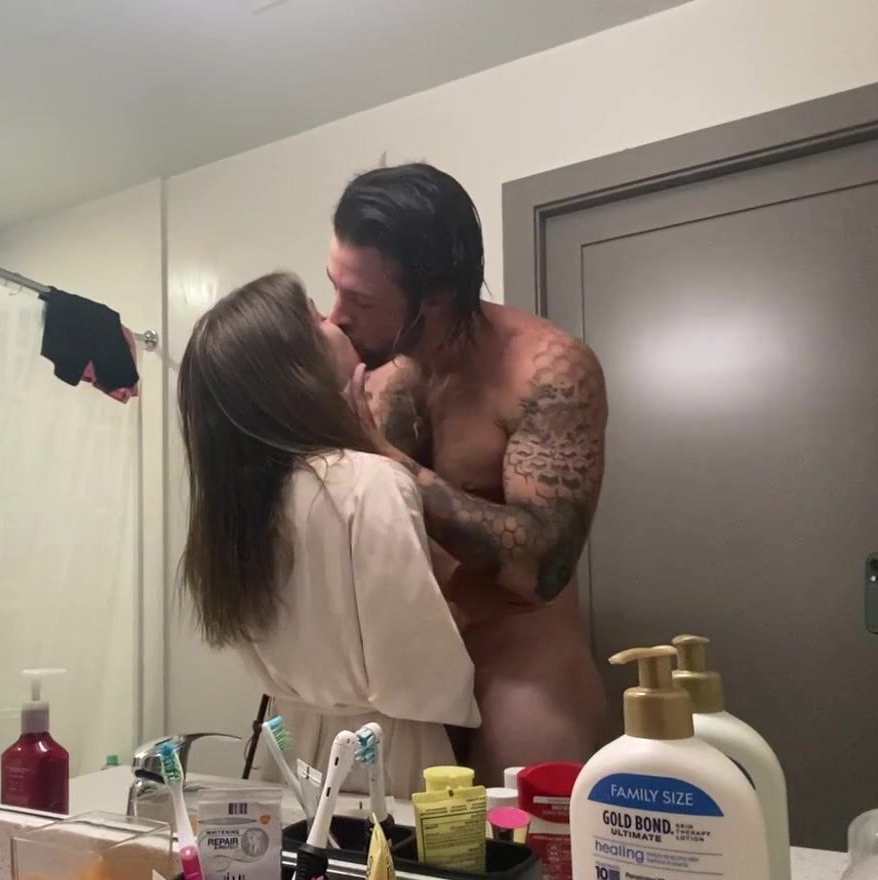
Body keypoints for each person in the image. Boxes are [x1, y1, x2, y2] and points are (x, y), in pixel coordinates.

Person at [327, 163, 610, 782]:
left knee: (527, 844)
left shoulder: (546, 370)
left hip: (521, 674)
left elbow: (543, 565)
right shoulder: (376, 372)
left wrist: (382, 454)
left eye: (362, 301)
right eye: (336, 288)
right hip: (407, 682)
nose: (338, 314)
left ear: (436, 297)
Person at [177, 271, 480, 796]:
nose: (336, 319)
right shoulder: (370, 482)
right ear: (298, 367)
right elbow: (422, 667)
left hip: (288, 754)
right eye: (318, 316)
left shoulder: (236, 507)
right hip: (382, 758)